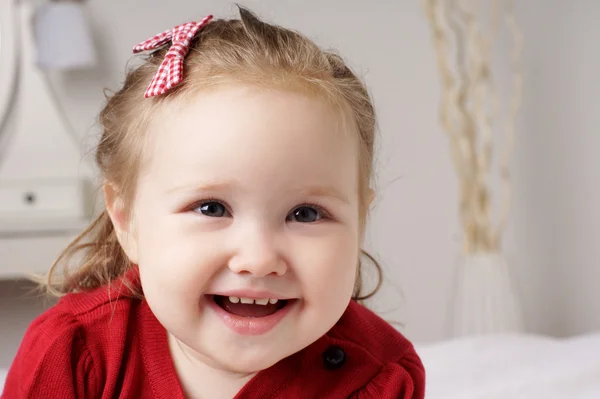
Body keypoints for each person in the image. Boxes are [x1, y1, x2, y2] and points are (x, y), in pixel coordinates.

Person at [2, 7, 425, 399]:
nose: (258, 260)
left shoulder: (379, 378)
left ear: (360, 220)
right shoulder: (71, 355)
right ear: (127, 220)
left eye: (306, 214)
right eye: (212, 208)